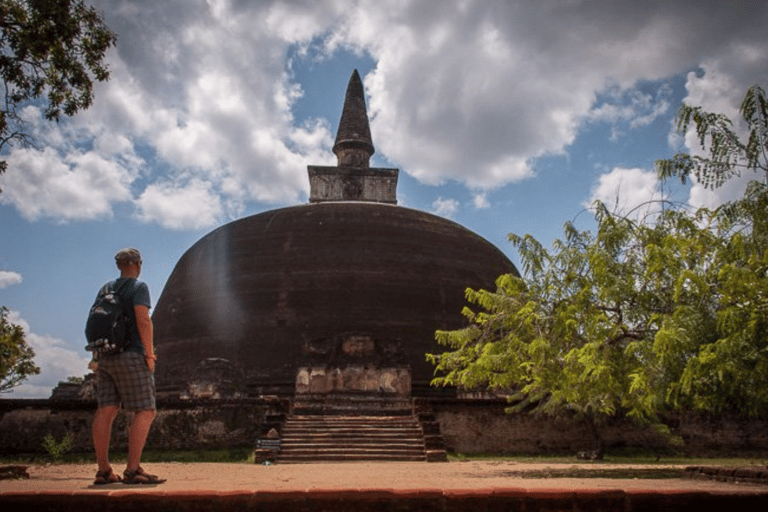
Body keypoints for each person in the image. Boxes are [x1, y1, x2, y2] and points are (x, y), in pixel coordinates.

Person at [91, 248, 165, 485]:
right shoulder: (138, 287)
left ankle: (103, 471)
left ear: (118, 265)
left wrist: (96, 355)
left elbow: (96, 323)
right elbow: (143, 320)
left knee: (106, 410)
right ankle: (133, 470)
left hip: (105, 356)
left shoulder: (105, 289)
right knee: (145, 410)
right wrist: (150, 355)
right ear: (138, 264)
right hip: (131, 354)